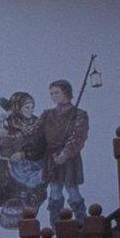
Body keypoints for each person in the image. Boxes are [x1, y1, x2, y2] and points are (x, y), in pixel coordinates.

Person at [36, 78, 91, 218]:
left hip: (69, 158)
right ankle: (56, 222)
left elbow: (79, 136)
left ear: (66, 93)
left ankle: (81, 219)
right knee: (54, 189)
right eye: (52, 93)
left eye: (57, 93)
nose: (54, 96)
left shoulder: (79, 114)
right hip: (51, 157)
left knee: (72, 189)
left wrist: (65, 154)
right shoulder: (47, 114)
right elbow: (35, 132)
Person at [0, 91, 46, 228]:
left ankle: (28, 225)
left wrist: (23, 154)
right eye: (27, 107)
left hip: (29, 168)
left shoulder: (37, 123)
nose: (30, 110)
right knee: (11, 201)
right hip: (7, 167)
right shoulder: (7, 122)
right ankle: (12, 224)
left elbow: (42, 146)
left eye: (32, 107)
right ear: (17, 107)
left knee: (29, 199)